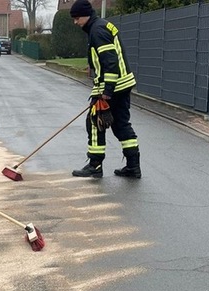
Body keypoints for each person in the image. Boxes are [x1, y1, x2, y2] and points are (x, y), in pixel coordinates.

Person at [70, 0, 142, 179]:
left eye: (77, 18)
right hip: (123, 83)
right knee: (121, 124)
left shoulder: (97, 30)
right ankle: (133, 166)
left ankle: (95, 165)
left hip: (113, 86)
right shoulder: (101, 26)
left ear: (86, 15)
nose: (75, 22)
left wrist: (107, 92)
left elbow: (110, 61)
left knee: (95, 121)